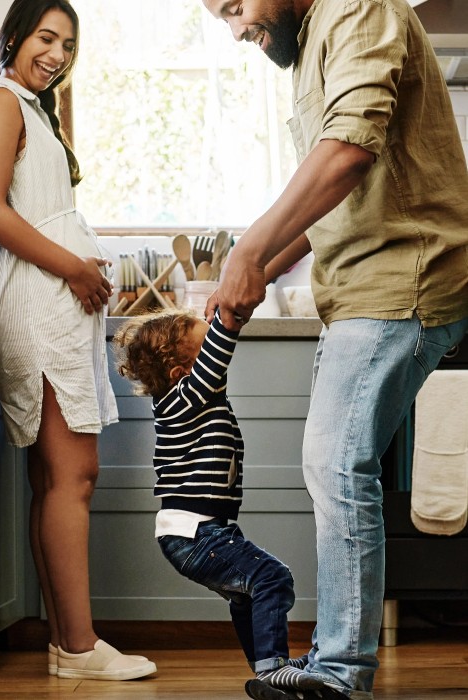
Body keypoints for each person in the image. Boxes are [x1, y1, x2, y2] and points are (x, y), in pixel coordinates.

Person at [200, 1, 468, 700]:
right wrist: (254, 268)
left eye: (234, 6)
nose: (236, 29)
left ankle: (339, 677)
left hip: (401, 277)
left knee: (332, 461)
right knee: (333, 465)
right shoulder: (315, 34)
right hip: (357, 288)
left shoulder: (357, 6)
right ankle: (333, 666)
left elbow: (347, 150)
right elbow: (331, 199)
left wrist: (252, 248)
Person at [0, 0, 157, 681]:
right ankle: (78, 648)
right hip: (44, 311)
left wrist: (84, 264)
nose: (57, 54)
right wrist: (73, 265)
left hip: (50, 306)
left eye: (69, 45)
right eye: (46, 37)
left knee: (56, 478)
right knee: (74, 477)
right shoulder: (3, 103)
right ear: (14, 36)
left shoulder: (32, 108)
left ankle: (67, 645)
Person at [113, 307, 317, 693]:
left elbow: (210, 365)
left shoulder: (194, 402)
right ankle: (273, 667)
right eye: (205, 349)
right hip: (195, 533)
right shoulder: (180, 400)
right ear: (182, 374)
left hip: (204, 531)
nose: (216, 359)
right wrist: (230, 321)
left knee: (246, 595)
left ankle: (267, 671)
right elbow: (216, 358)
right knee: (272, 577)